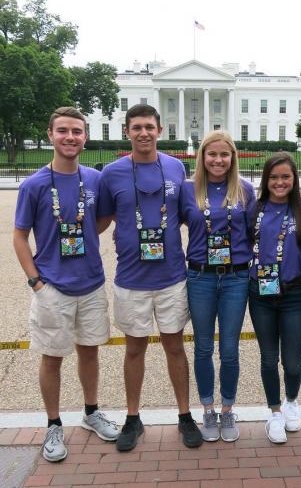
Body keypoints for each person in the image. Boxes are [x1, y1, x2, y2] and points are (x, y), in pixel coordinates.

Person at [13, 107, 119, 462]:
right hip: (52, 286)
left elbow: (103, 217)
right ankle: (54, 424)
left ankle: (91, 413)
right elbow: (19, 236)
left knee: (90, 351)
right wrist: (36, 282)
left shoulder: (94, 179)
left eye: (77, 131)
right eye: (63, 131)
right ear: (50, 135)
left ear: (85, 136)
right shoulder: (34, 185)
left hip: (90, 283)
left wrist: (87, 236)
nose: (70, 137)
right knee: (53, 357)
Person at [97, 104, 202, 451]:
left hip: (172, 277)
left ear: (159, 130)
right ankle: (132, 417)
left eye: (150, 127)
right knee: (134, 351)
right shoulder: (111, 173)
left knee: (175, 347)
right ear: (127, 131)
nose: (144, 133)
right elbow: (100, 220)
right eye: (137, 127)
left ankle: (184, 415)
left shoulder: (174, 167)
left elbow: (189, 216)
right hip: (130, 279)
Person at [180, 130, 255, 442]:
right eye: (212, 154)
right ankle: (207, 408)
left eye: (224, 154)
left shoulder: (245, 190)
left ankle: (227, 409)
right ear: (202, 157)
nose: (218, 160)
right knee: (203, 347)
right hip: (200, 277)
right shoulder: (188, 190)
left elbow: (256, 232)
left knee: (229, 349)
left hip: (236, 276)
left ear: (232, 157)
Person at [248, 152, 301, 444]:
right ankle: (274, 412)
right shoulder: (254, 209)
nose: (280, 182)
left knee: (293, 361)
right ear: (266, 180)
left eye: (286, 176)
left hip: (295, 293)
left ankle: (292, 402)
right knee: (269, 357)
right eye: (274, 177)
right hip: (260, 293)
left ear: (294, 179)